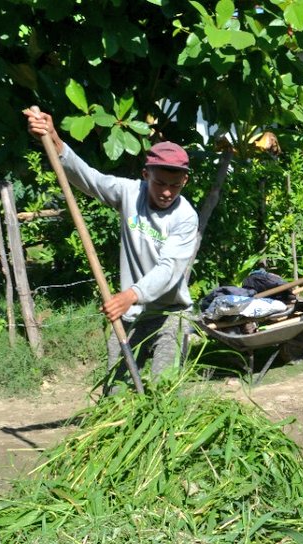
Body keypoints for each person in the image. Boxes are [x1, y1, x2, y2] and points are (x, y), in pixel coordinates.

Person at [25, 109, 198, 390]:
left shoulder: (186, 217)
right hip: (131, 315)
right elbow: (90, 179)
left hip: (170, 314)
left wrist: (132, 294)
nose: (167, 192)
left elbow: (169, 270)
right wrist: (54, 138)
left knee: (164, 388)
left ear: (185, 182)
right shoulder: (130, 193)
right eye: (160, 184)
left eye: (175, 186)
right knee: (115, 391)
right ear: (146, 175)